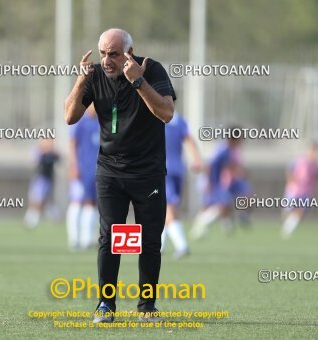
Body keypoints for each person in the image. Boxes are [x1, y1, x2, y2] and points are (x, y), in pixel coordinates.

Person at [64, 28, 175, 323]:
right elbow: (69, 117)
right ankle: (105, 305)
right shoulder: (96, 74)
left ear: (128, 52)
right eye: (102, 53)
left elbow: (166, 113)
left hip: (147, 173)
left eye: (113, 54)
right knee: (110, 236)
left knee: (149, 240)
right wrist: (81, 80)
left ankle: (146, 307)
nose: (107, 60)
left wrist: (138, 81)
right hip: (110, 171)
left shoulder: (151, 69)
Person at [161, 112, 203, 259]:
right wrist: (197, 158)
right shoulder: (179, 120)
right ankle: (159, 246)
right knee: (167, 207)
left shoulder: (152, 116)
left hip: (161, 169)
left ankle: (182, 246)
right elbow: (189, 140)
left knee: (168, 207)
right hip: (177, 170)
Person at [190, 132, 243, 239]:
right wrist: (208, 182)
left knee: (216, 205)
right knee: (223, 205)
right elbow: (209, 166)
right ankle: (202, 223)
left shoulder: (227, 151)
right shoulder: (222, 151)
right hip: (211, 181)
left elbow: (227, 166)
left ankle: (202, 226)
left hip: (216, 182)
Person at [66, 104, 100, 250]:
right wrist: (74, 166)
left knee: (91, 203)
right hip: (81, 170)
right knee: (76, 201)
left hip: (97, 170)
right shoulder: (80, 121)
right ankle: (74, 239)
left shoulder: (102, 121)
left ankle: (87, 239)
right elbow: (72, 144)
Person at [280, 142, 318, 239]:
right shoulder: (300, 161)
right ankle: (287, 226)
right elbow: (289, 171)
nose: (314, 154)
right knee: (288, 211)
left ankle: (287, 230)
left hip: (306, 192)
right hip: (294, 190)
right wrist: (291, 181)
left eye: (316, 152)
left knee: (300, 211)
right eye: (313, 151)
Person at [23, 139, 60, 228]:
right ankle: (31, 219)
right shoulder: (40, 152)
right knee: (35, 200)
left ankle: (32, 221)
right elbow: (34, 161)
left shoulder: (52, 154)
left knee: (41, 201)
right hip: (39, 179)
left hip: (47, 180)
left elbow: (59, 158)